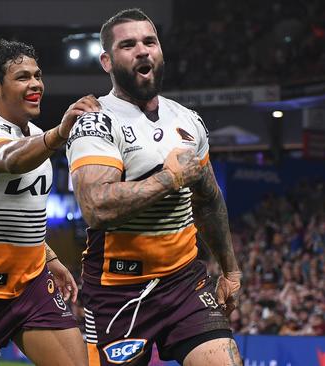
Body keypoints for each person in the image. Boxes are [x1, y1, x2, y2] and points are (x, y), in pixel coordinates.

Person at [66, 9, 242, 366]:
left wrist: (230, 269)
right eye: (128, 45)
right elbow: (96, 205)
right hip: (118, 291)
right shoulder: (96, 121)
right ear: (107, 61)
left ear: (161, 51)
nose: (142, 50)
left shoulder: (188, 120)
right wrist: (169, 178)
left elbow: (208, 201)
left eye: (150, 41)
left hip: (184, 283)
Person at [0, 39, 99, 366]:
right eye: (22, 77)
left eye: (38, 75)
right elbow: (9, 158)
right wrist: (58, 135)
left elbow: (26, 213)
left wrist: (50, 257)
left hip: (31, 287)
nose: (36, 83)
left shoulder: (36, 136)